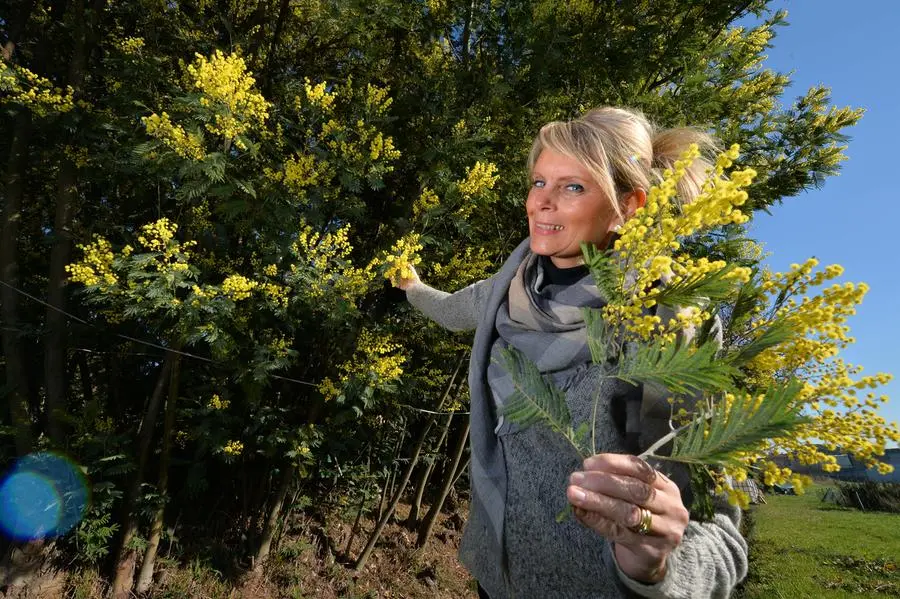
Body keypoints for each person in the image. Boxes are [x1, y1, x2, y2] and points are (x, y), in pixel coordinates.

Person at [397, 107, 748, 599]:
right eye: (540, 181)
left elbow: (720, 528)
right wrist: (412, 287)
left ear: (630, 206)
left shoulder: (667, 323)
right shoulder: (512, 289)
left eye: (573, 187)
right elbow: (451, 309)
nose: (541, 202)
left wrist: (659, 567)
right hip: (495, 578)